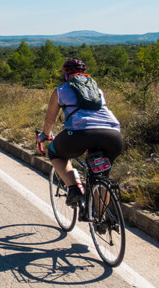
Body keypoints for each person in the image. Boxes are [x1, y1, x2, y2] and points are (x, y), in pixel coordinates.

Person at [36, 58, 123, 207]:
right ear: (84, 73)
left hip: (80, 133)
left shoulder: (61, 90)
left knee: (55, 154)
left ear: (65, 74)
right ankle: (102, 220)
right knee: (101, 176)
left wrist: (44, 135)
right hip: (113, 134)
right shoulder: (97, 90)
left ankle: (74, 188)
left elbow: (50, 119)